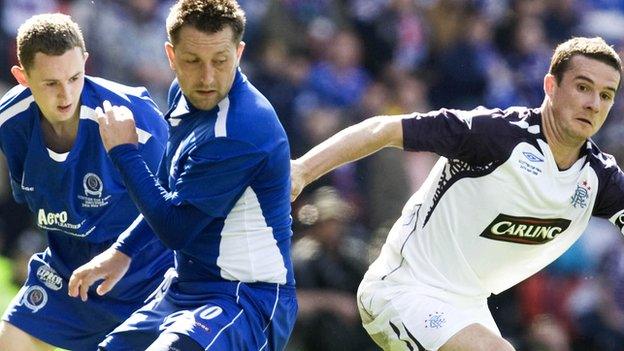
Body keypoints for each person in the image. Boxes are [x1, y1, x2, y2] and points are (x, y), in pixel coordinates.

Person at [290, 36, 624, 351]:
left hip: (469, 310)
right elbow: (382, 129)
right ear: (551, 86)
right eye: (583, 87)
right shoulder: (494, 135)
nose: (594, 104)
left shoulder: (600, 178)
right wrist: (302, 170)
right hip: (404, 291)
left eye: (606, 95)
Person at [68, 1, 297, 350]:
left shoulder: (241, 129)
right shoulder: (185, 94)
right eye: (192, 61)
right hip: (186, 287)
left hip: (246, 298)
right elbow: (170, 193)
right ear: (171, 56)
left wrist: (123, 152)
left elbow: (176, 227)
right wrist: (122, 252)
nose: (207, 77)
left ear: (239, 52)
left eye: (220, 61)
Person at [0, 13, 172, 351]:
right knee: (10, 343)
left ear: (85, 63)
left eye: (75, 77)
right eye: (50, 83)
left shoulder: (136, 119)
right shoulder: (10, 122)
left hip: (146, 277)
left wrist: (121, 254)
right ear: (23, 78)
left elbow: (175, 204)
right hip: (68, 273)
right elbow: (35, 199)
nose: (66, 95)